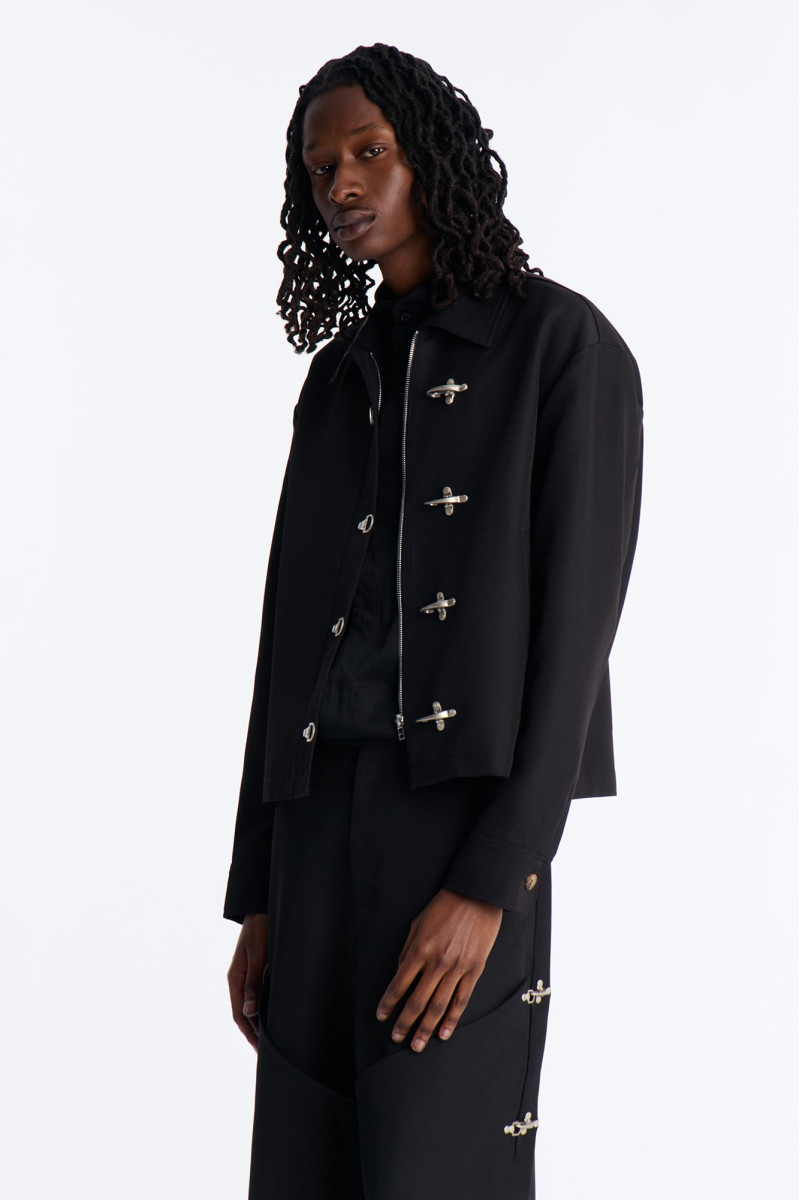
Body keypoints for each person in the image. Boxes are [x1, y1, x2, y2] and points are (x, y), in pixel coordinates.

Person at [223, 42, 644, 1200]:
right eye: (321, 170)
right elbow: (283, 644)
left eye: (369, 152)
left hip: (454, 828)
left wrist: (492, 879)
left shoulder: (560, 347)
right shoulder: (336, 379)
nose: (343, 185)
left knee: (439, 1169)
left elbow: (574, 647)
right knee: (302, 1170)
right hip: (313, 831)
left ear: (433, 157)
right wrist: (259, 892)